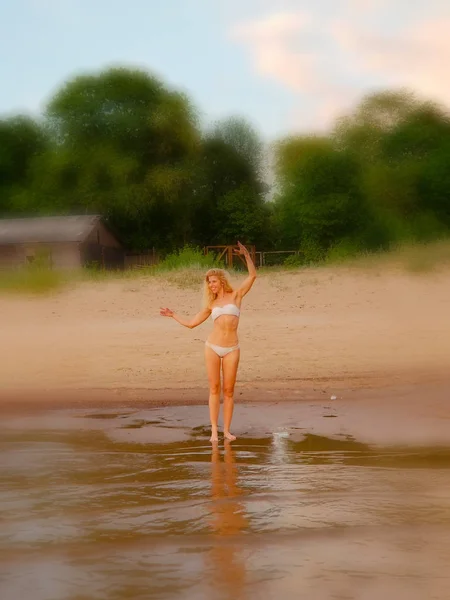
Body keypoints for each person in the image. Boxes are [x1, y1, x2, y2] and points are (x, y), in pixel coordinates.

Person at [160, 241, 257, 442]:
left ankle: (226, 431)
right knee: (214, 389)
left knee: (229, 391)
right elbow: (191, 324)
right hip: (212, 347)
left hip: (232, 348)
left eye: (213, 281)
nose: (211, 285)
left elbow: (253, 276)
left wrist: (246, 256)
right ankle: (214, 430)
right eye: (209, 283)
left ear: (221, 281)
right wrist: (173, 315)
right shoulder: (211, 305)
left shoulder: (236, 296)